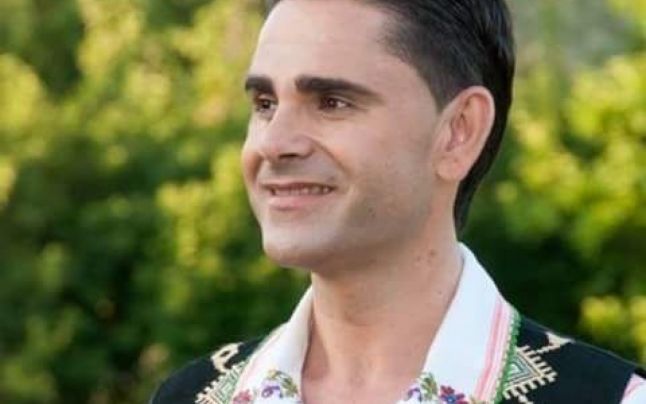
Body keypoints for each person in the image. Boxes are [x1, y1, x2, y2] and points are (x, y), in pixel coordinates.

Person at [150, 0, 646, 403]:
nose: (274, 143)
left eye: (332, 103)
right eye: (265, 104)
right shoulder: (189, 397)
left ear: (459, 131)